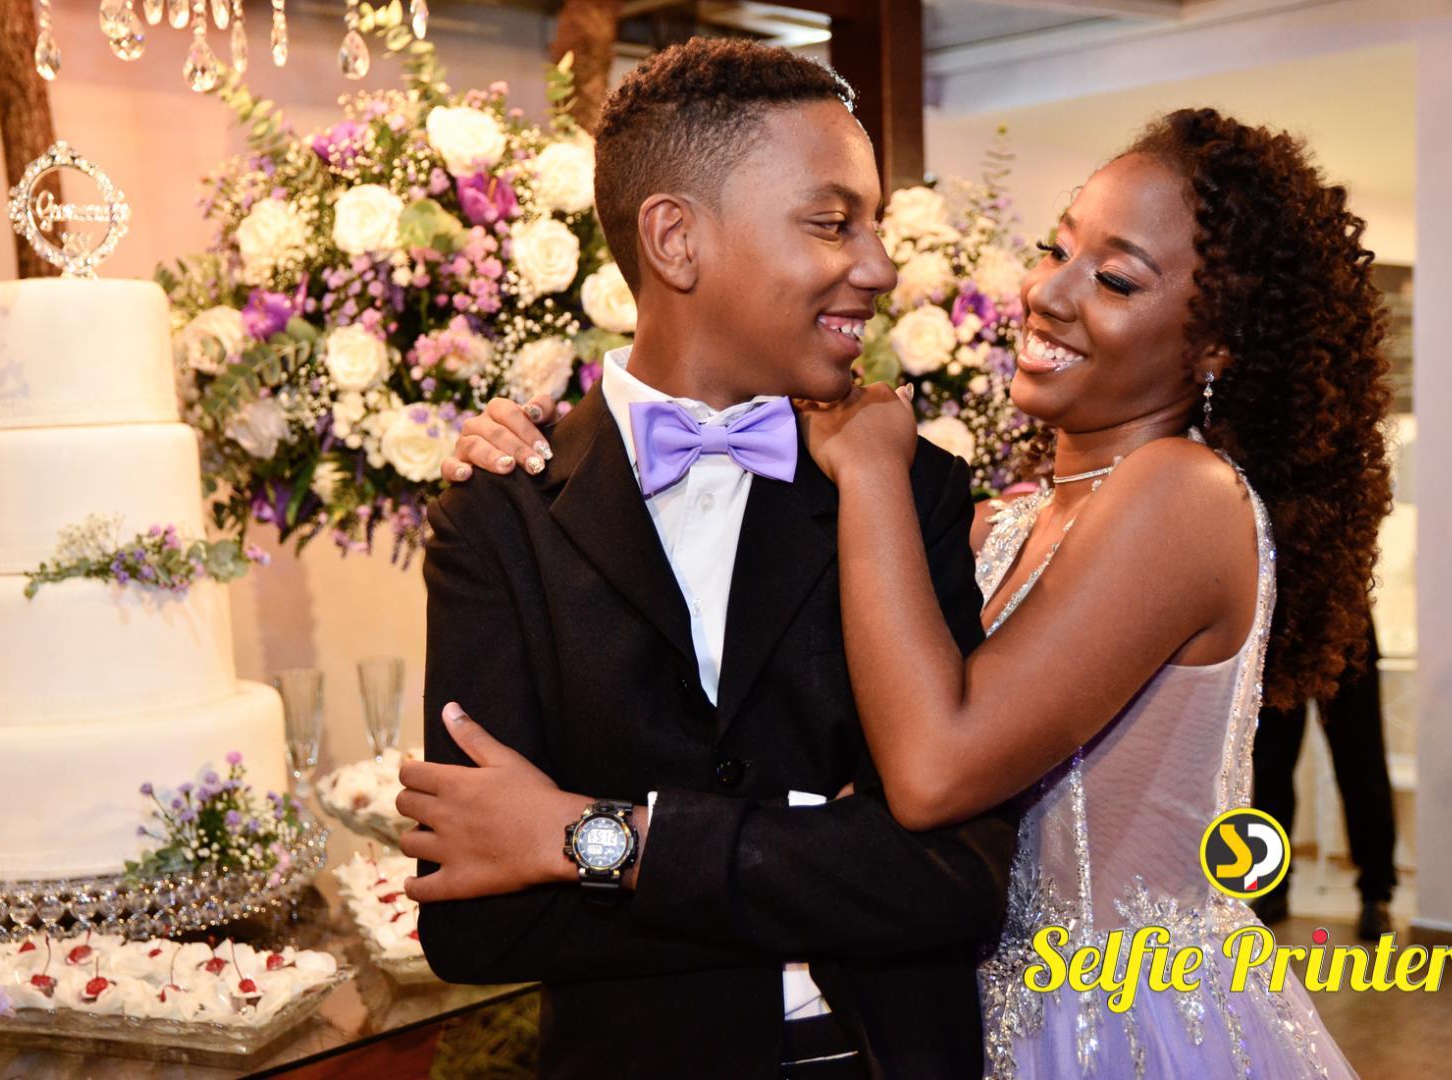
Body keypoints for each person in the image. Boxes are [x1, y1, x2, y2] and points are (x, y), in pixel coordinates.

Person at [447, 108, 1391, 1077]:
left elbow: (933, 772)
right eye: (1056, 248)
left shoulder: (1180, 493)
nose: (1046, 291)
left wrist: (869, 472)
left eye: (1113, 279)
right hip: (978, 1022)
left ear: (1219, 345)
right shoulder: (1006, 520)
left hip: (1117, 1023)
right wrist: (553, 451)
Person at [396, 39, 1018, 1080]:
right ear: (675, 240)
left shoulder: (908, 489)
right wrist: (818, 852)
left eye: (873, 223)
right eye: (833, 222)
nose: (878, 266)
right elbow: (476, 924)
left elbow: (952, 881)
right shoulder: (502, 516)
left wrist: (586, 839)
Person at [1252, 613, 1400, 940]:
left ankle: (1376, 894)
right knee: (1269, 771)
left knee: (1362, 769)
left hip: (1344, 625)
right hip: (1280, 633)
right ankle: (1270, 887)